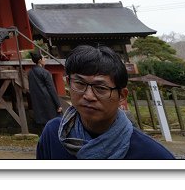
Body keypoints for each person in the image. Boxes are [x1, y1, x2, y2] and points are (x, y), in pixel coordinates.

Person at [36, 44, 174, 160]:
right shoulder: (53, 133)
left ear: (121, 95)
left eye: (101, 88)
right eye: (79, 83)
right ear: (68, 83)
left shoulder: (152, 156)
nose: (88, 96)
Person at [28, 51, 63, 133]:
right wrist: (58, 104)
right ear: (40, 60)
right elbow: (51, 89)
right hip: (48, 101)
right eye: (44, 58)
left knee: (43, 125)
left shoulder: (30, 72)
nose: (45, 59)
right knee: (55, 121)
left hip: (37, 101)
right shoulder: (45, 72)